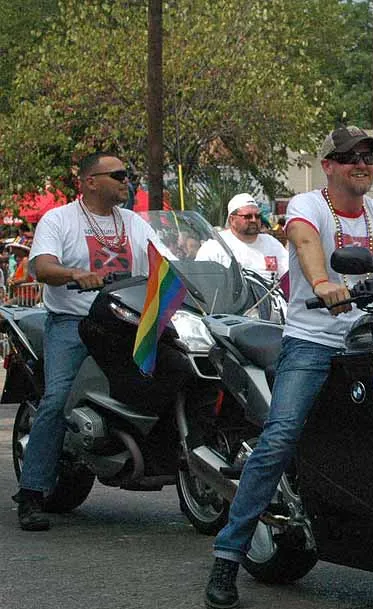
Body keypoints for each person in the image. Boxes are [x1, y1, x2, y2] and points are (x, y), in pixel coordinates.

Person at [203, 126, 373, 609]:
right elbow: (303, 240)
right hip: (314, 341)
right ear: (328, 166)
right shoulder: (309, 206)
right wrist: (322, 283)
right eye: (349, 157)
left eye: (368, 157)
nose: (361, 164)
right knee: (280, 438)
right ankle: (228, 554)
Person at [11, 151, 160, 531]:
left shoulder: (135, 223)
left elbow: (162, 264)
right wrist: (75, 273)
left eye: (128, 175)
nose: (127, 182)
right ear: (91, 181)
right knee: (58, 398)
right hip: (73, 321)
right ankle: (31, 493)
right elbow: (42, 266)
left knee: (179, 369)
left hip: (127, 321)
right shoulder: (59, 219)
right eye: (119, 176)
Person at [196, 193, 289, 282]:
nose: (254, 220)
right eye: (248, 216)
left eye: (257, 216)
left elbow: (288, 276)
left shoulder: (271, 243)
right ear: (232, 219)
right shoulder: (215, 246)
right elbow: (202, 282)